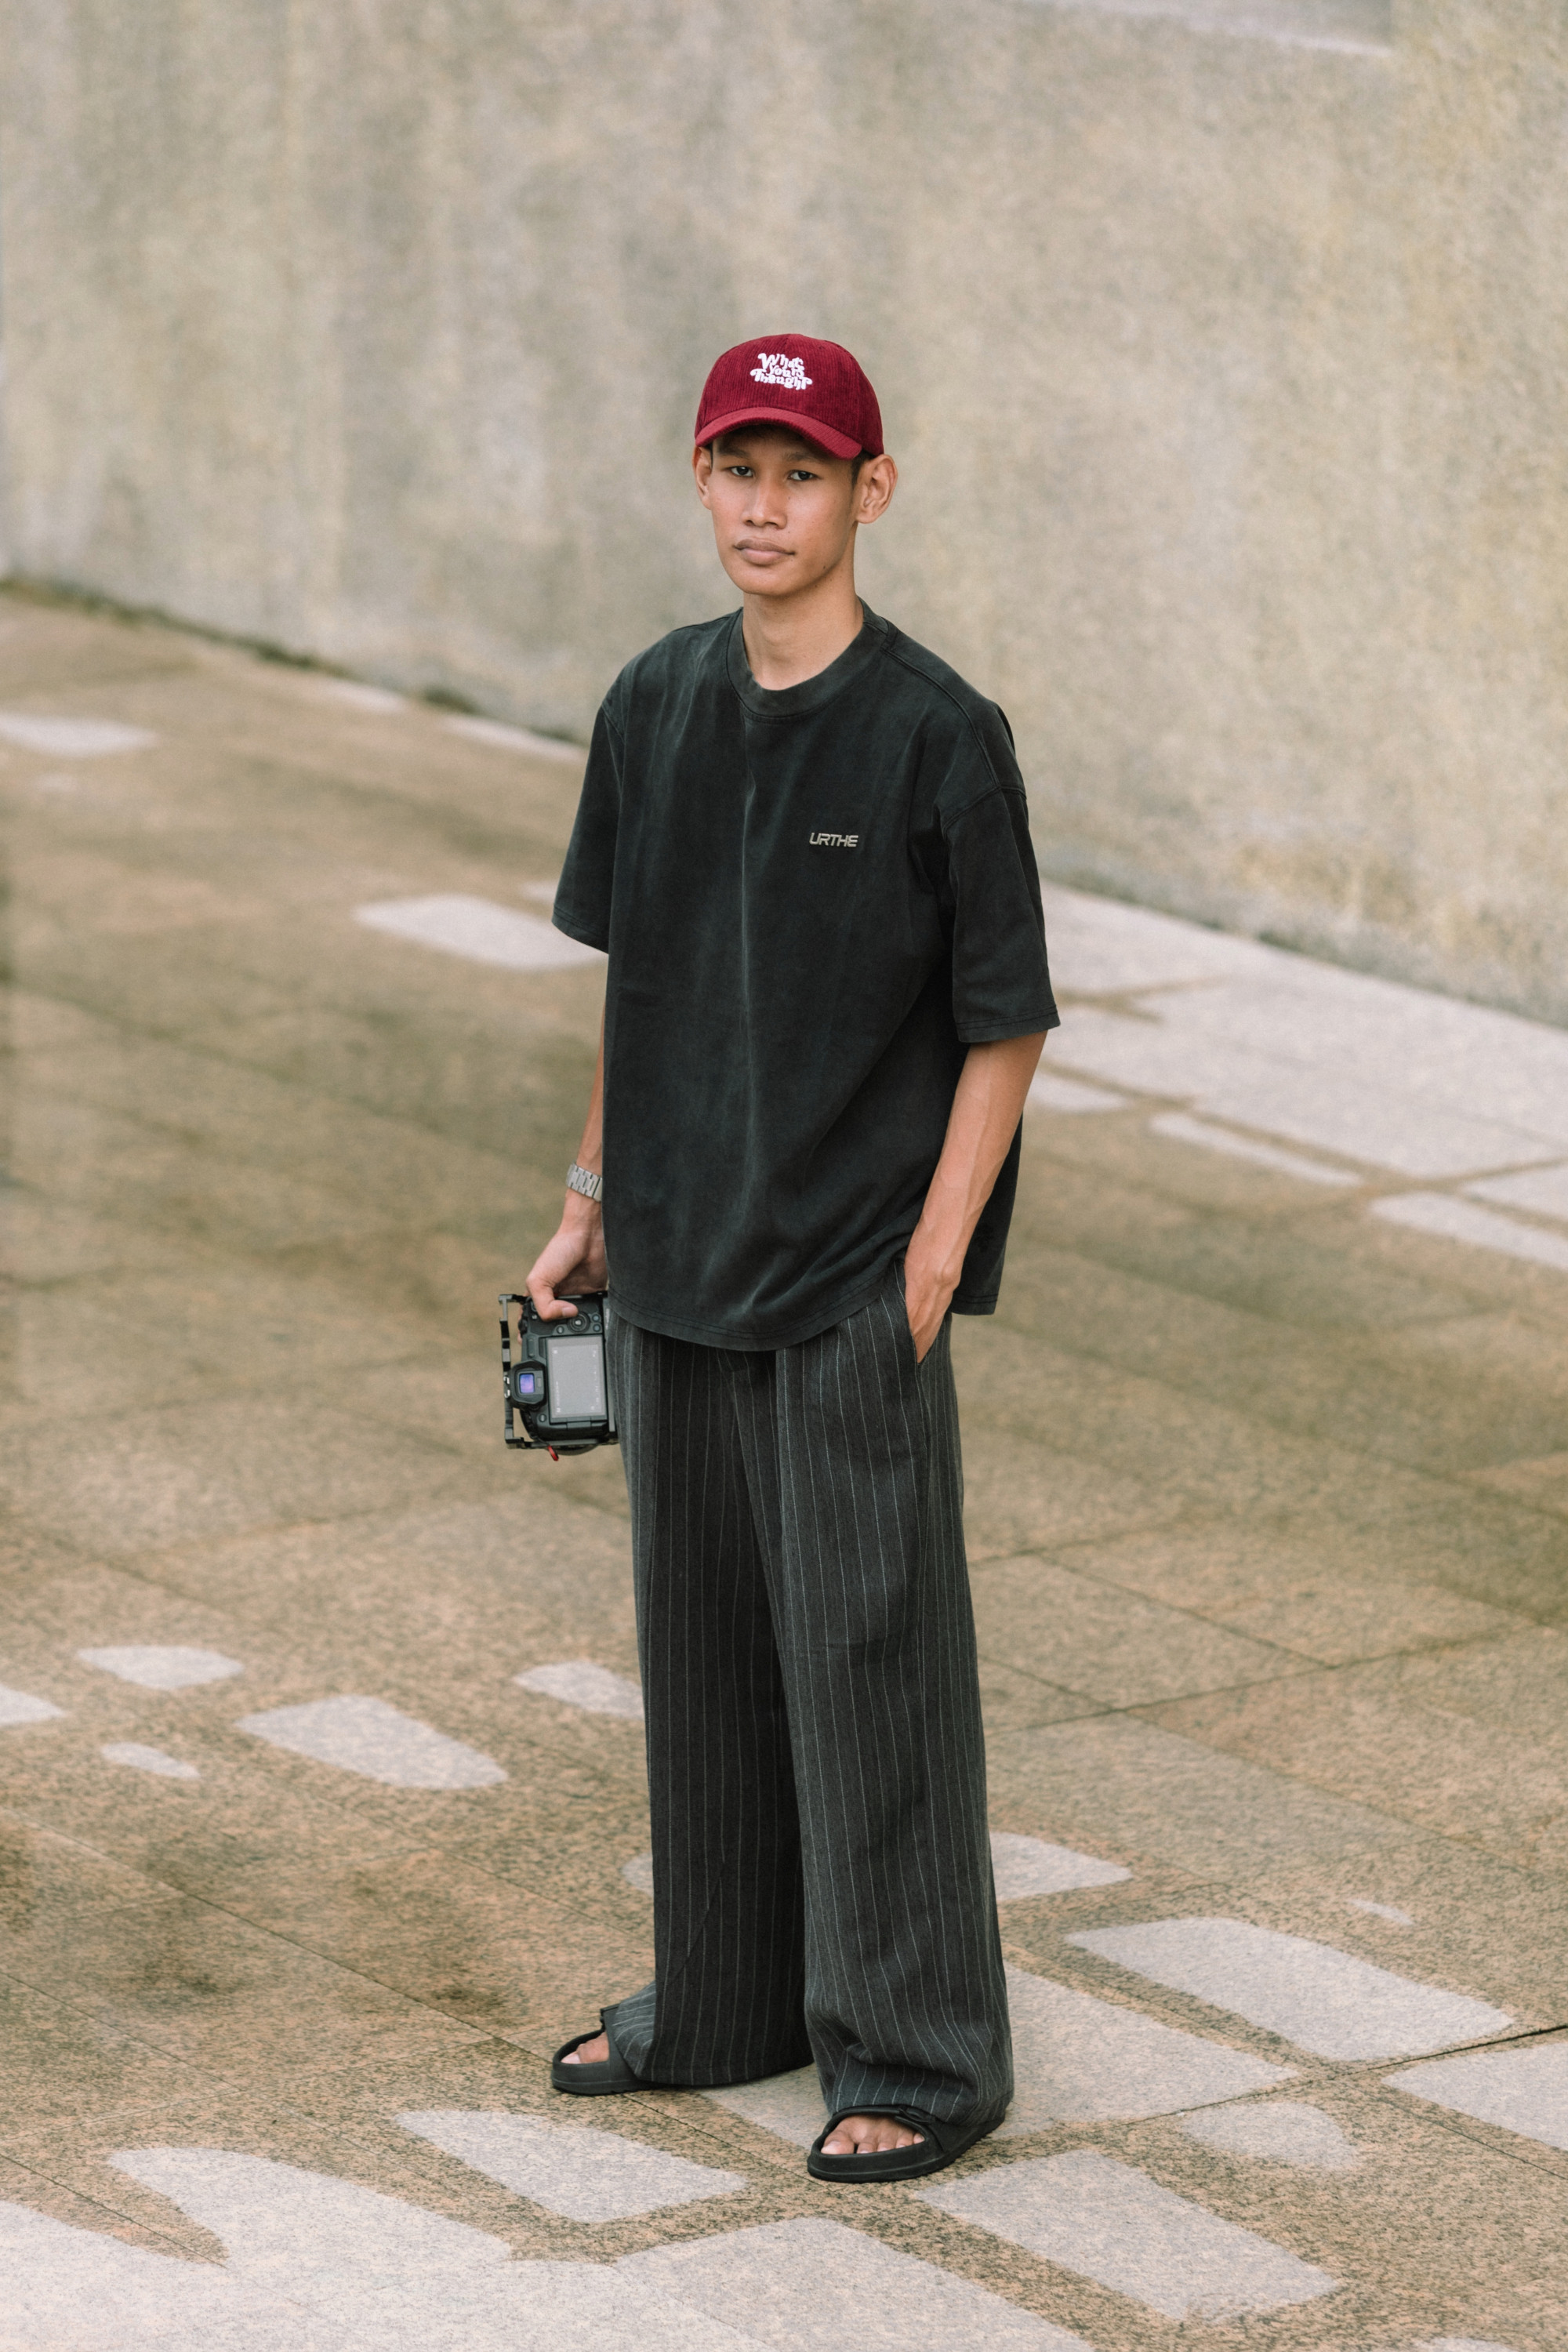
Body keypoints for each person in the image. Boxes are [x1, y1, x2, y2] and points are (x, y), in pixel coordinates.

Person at [524, 332, 1058, 2183]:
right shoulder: (653, 702)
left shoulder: (937, 736)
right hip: (675, 1255)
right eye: (737, 471)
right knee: (704, 1658)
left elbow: (1003, 1018)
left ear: (867, 493)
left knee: (866, 1662)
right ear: (702, 482)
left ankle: (917, 2050)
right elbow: (636, 977)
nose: (765, 508)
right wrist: (589, 1199)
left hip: (847, 1271)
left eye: (802, 475)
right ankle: (726, 1999)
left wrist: (932, 1255)